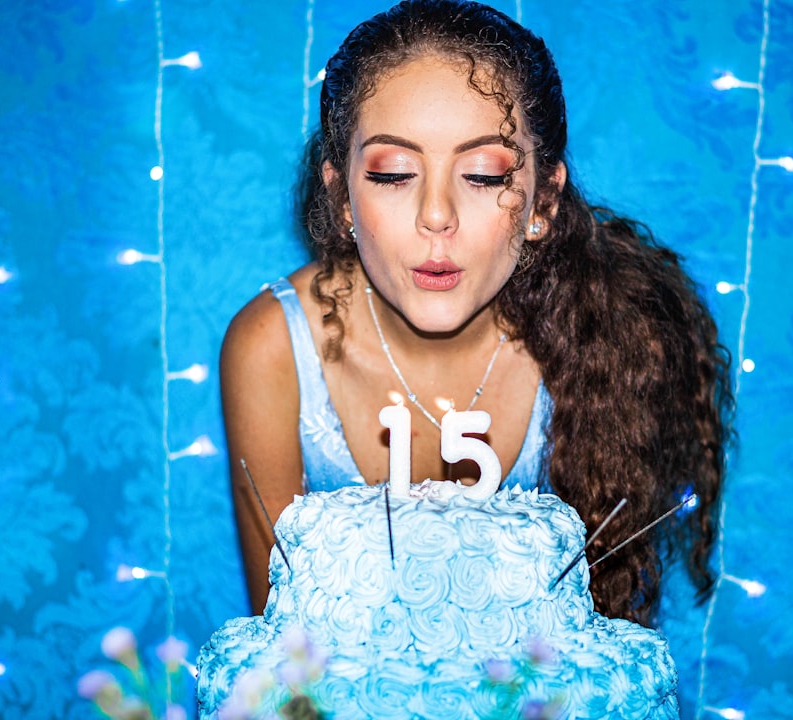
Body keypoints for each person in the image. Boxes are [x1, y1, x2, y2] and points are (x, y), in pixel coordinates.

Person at [221, 0, 733, 626]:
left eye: (485, 174)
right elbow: (281, 645)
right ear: (342, 197)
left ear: (543, 199)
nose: (437, 215)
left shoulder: (603, 341)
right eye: (394, 172)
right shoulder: (271, 348)